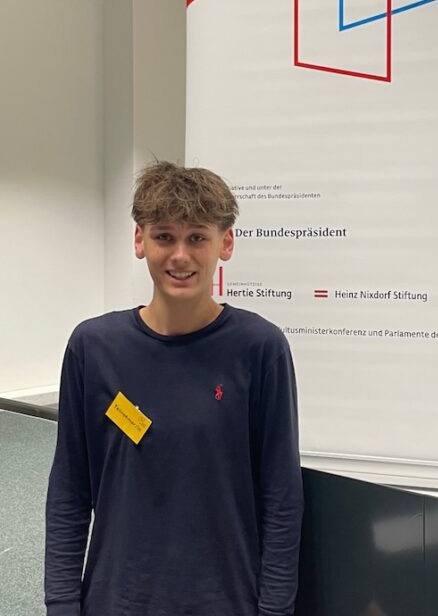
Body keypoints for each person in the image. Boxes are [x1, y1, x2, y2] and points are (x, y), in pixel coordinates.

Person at [45, 161, 303, 616]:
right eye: (164, 236)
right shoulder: (94, 348)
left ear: (225, 243)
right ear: (139, 240)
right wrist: (62, 604)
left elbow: (281, 497)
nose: (180, 255)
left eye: (197, 237)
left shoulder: (260, 348)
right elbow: (69, 491)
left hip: (225, 600)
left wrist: (275, 610)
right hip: (116, 600)